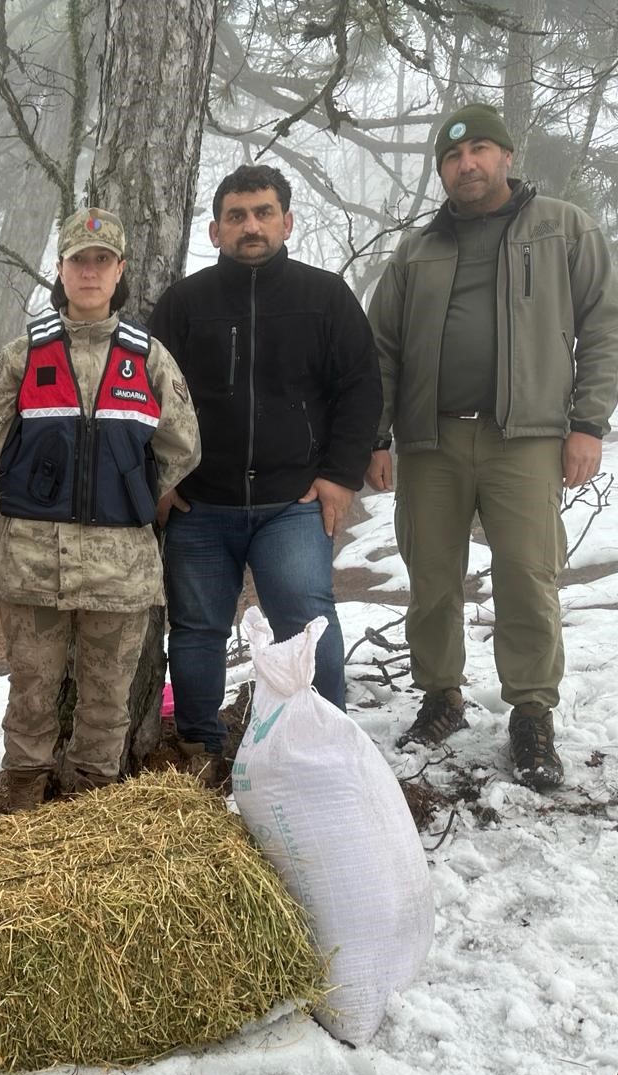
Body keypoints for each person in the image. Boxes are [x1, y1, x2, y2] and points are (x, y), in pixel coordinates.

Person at [365, 103, 618, 789]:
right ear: (442, 172)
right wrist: (377, 438)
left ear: (507, 157)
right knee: (430, 575)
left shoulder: (563, 228)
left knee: (528, 574)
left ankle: (532, 712)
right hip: (430, 439)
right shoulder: (417, 251)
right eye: (453, 157)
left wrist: (588, 423)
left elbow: (604, 325)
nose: (467, 164)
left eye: (480, 150)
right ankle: (441, 695)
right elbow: (382, 351)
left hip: (527, 437)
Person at [149, 165, 381, 772]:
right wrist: (163, 479)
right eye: (237, 216)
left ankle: (323, 736)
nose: (251, 226)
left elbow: (360, 388)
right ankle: (202, 746)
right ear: (215, 229)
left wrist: (338, 476)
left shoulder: (325, 297)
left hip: (291, 502)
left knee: (307, 621)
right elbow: (146, 394)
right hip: (201, 504)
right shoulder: (185, 304)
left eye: (263, 212)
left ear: (287, 221)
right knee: (198, 630)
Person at [0, 208, 199, 806]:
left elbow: (182, 447)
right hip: (33, 562)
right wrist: (27, 493)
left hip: (120, 566)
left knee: (106, 696)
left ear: (120, 269)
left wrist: (126, 492)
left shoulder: (148, 357)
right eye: (79, 260)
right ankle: (24, 795)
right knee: (32, 690)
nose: (90, 272)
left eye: (102, 261)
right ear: (62, 269)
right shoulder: (25, 354)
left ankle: (89, 802)